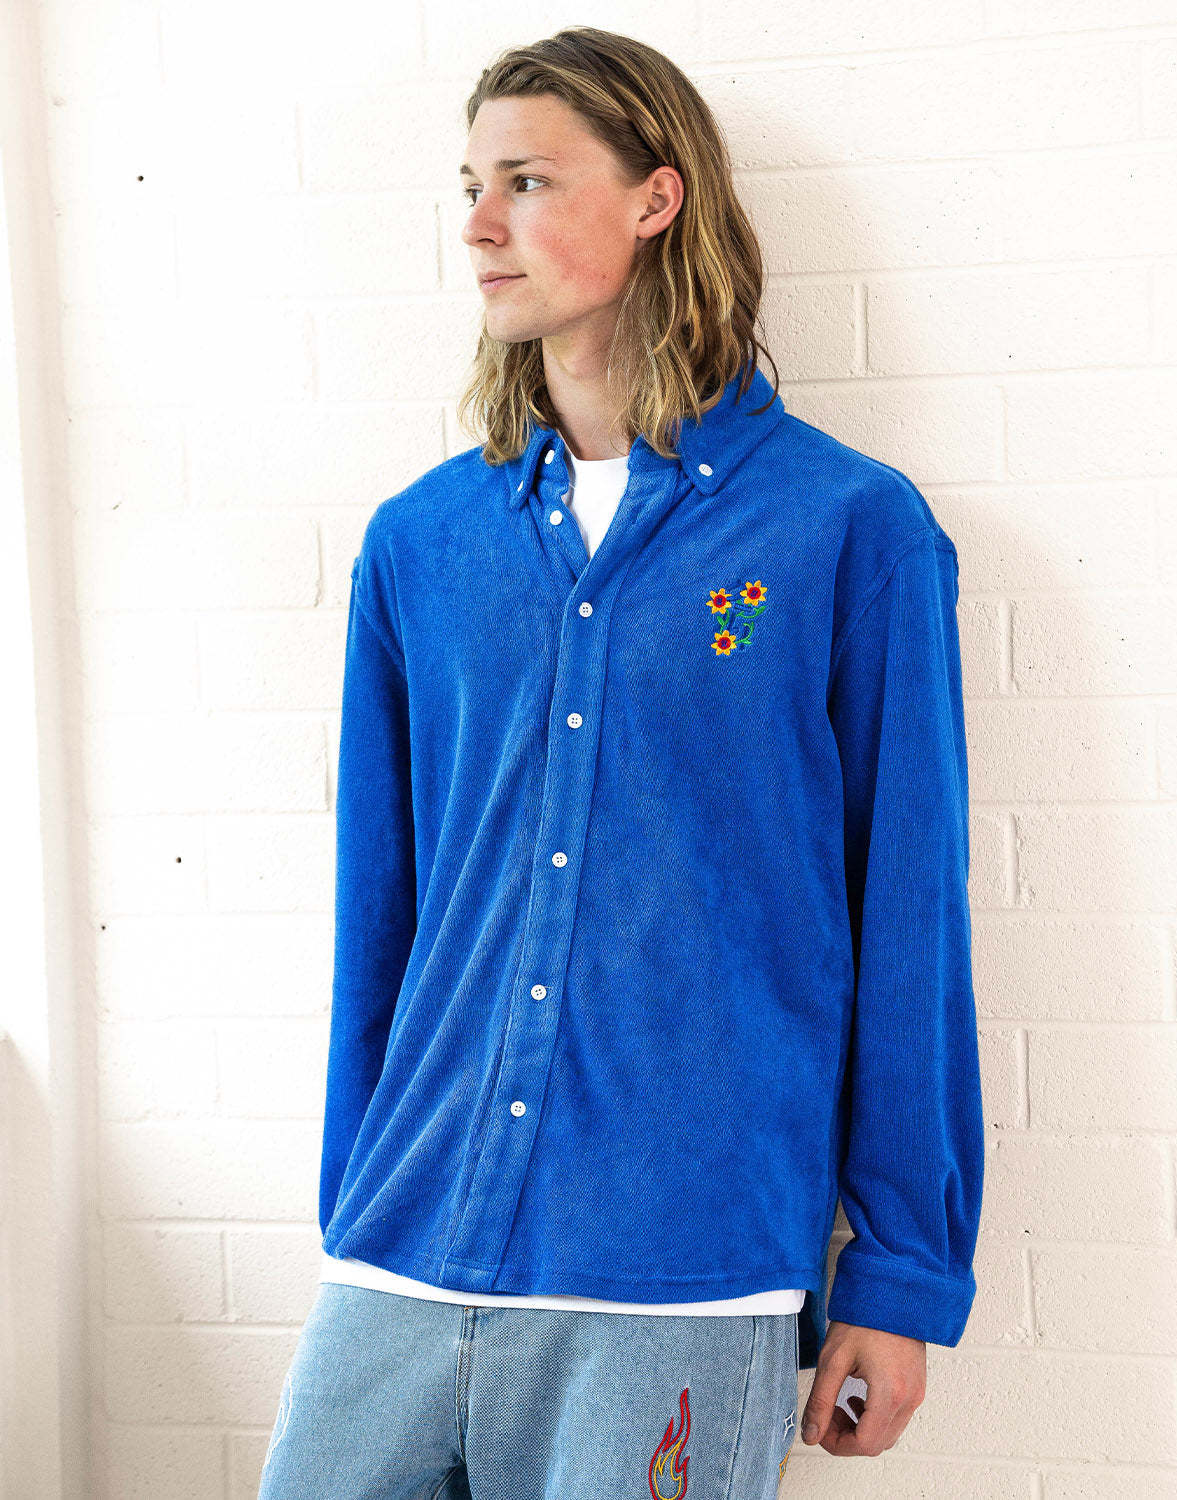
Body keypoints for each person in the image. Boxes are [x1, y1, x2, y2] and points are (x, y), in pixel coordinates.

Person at [258, 26, 985, 1500]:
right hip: (407, 1248)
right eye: (470, 186)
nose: (479, 225)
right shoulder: (420, 546)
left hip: (684, 1268)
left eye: (526, 181)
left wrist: (903, 1273)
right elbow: (378, 920)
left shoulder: (847, 530)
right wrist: (354, 1195)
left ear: (658, 198)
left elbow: (911, 923)